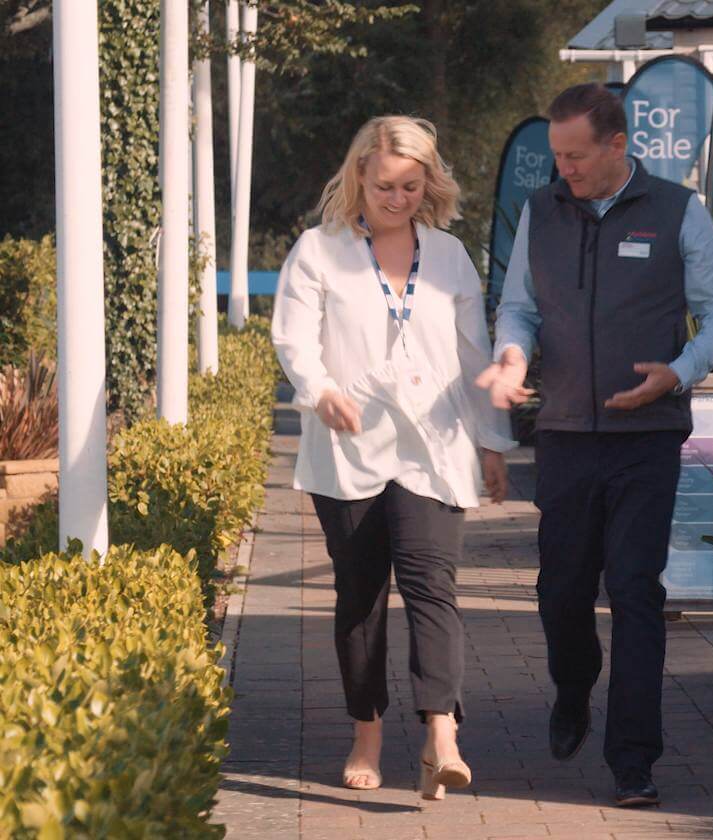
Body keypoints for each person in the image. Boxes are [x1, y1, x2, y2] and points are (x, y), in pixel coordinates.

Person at [476, 83, 713, 808]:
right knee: (561, 590)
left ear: (618, 145)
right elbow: (520, 309)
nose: (564, 168)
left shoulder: (677, 211)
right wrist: (511, 357)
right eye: (557, 155)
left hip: (646, 438)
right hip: (564, 434)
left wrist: (679, 374)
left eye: (576, 155)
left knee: (634, 590)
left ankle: (633, 760)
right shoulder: (542, 211)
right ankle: (572, 688)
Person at [272, 115, 516, 800]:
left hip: (433, 447)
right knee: (360, 599)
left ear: (428, 183)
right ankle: (367, 733)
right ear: (358, 177)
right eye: (386, 186)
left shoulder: (450, 256)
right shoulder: (318, 252)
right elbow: (295, 340)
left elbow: (476, 357)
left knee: (433, 584)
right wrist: (319, 393)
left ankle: (442, 732)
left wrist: (493, 440)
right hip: (348, 450)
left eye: (412, 186)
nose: (399, 198)